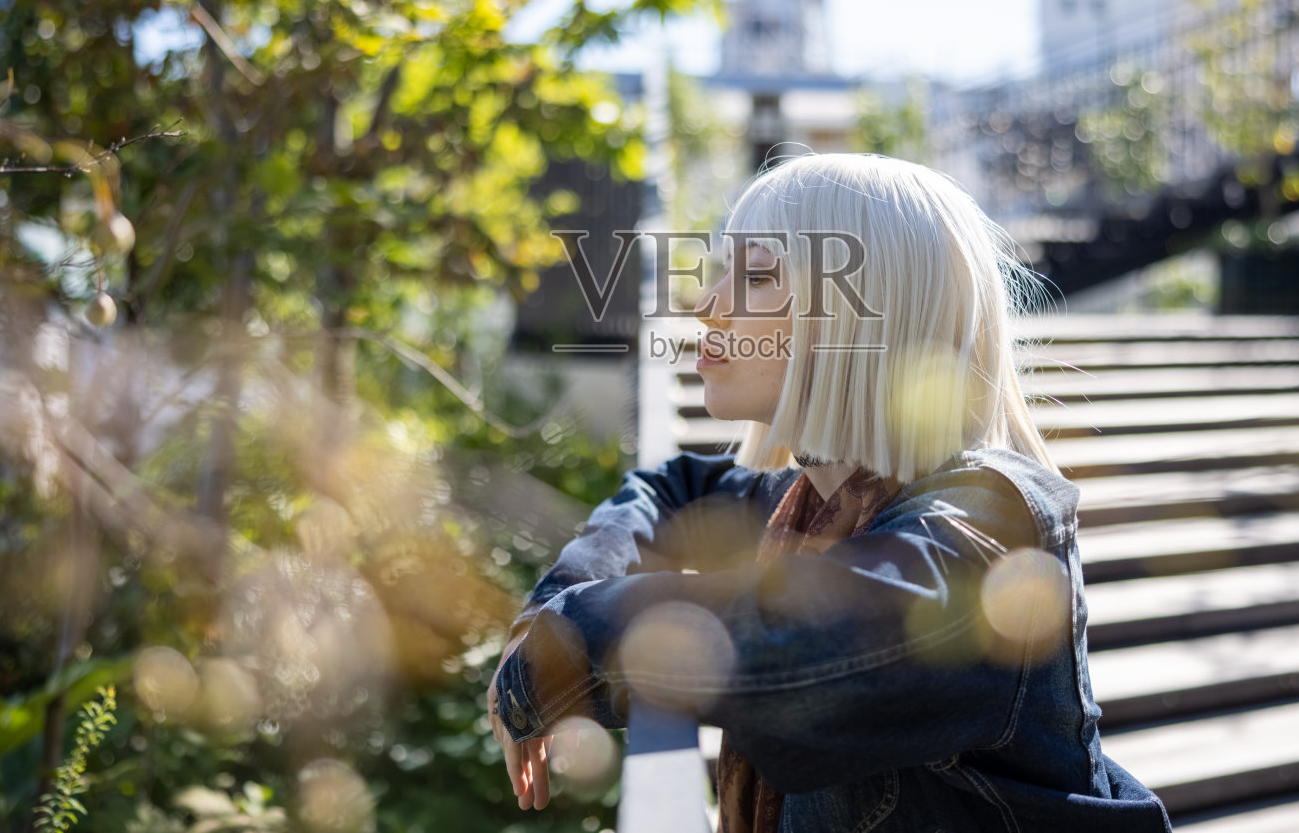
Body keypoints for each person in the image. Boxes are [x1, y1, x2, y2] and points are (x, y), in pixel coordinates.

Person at [487, 152, 1172, 832]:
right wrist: (544, 619)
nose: (706, 306)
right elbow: (672, 486)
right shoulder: (818, 495)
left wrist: (567, 643)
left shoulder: (990, 529)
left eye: (755, 277)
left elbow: (799, 636)